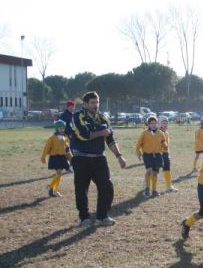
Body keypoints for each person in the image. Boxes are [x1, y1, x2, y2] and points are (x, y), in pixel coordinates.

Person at [70, 91, 127, 227]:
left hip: (99, 158)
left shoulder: (103, 119)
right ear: (85, 103)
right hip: (80, 158)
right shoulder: (78, 116)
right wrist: (101, 132)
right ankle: (84, 218)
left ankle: (102, 216)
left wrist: (119, 156)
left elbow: (111, 140)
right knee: (81, 189)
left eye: (97, 102)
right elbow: (83, 134)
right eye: (93, 103)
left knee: (107, 187)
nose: (96, 105)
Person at [136, 116, 168, 197]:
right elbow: (138, 144)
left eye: (155, 123)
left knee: (155, 173)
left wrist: (165, 145)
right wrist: (139, 153)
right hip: (147, 155)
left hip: (157, 155)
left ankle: (154, 190)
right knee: (149, 171)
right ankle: (147, 188)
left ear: (157, 124)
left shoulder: (160, 133)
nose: (153, 125)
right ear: (148, 124)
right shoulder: (144, 133)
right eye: (151, 123)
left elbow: (163, 141)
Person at [41, 120, 72, 197]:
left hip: (62, 157)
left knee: (59, 174)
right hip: (55, 157)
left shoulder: (65, 137)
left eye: (63, 128)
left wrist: (71, 158)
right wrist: (43, 157)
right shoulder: (52, 138)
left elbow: (67, 149)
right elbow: (46, 147)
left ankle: (53, 190)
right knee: (59, 173)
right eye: (60, 128)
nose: (62, 129)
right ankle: (52, 189)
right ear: (57, 128)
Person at [158, 116, 177, 192]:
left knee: (167, 169)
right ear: (159, 123)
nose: (165, 124)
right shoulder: (158, 133)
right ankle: (148, 186)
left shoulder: (166, 132)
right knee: (153, 171)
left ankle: (168, 186)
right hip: (159, 154)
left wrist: (168, 153)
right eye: (163, 122)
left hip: (165, 154)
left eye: (166, 123)